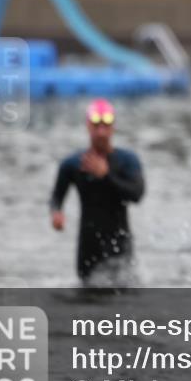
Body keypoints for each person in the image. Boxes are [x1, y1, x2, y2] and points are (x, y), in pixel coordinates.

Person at [49, 98, 145, 286]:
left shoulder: (127, 161)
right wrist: (56, 214)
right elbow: (56, 197)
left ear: (113, 127)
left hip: (120, 246)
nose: (101, 131)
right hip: (88, 248)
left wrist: (106, 175)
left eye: (106, 125)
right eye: (96, 125)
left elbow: (137, 194)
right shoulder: (73, 164)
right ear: (88, 126)